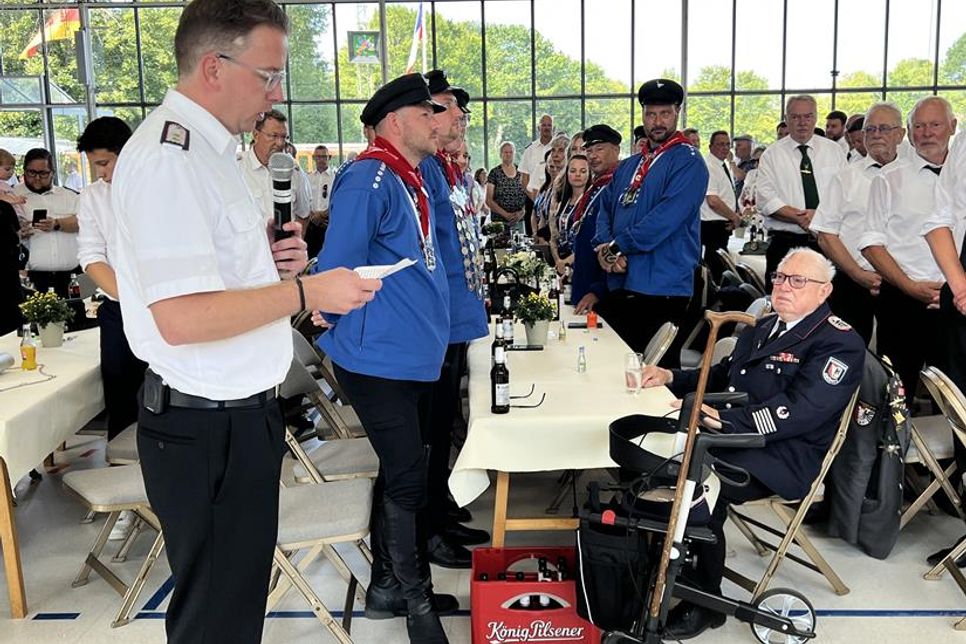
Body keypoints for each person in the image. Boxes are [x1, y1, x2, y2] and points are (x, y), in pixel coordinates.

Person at [110, 1, 381, 640]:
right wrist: (308, 291)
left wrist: (273, 260)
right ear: (213, 66)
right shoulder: (169, 159)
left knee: (234, 606)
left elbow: (216, 277)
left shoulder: (215, 153)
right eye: (268, 75)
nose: (276, 92)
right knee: (216, 618)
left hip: (240, 415)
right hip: (205, 426)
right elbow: (181, 317)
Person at [640, 247, 865, 639]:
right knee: (655, 458)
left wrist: (723, 420)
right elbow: (725, 374)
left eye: (798, 281)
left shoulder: (838, 343)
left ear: (824, 292)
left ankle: (704, 600)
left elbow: (798, 412)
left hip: (782, 456)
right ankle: (660, 567)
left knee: (697, 484)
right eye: (779, 277)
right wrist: (672, 377)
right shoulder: (765, 325)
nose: (784, 287)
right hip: (736, 439)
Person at [315, 73, 452, 643]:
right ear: (396, 121)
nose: (437, 120)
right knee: (406, 477)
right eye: (427, 113)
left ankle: (386, 585)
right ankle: (414, 602)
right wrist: (331, 314)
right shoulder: (369, 178)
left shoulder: (410, 177)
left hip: (408, 356)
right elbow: (338, 268)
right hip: (376, 359)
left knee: (404, 471)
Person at [419, 69, 490, 572]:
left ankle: (442, 509)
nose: (461, 117)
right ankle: (431, 526)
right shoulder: (425, 170)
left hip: (459, 317)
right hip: (439, 321)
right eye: (450, 108)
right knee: (433, 427)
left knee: (446, 424)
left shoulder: (449, 168)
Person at [593, 79, 708, 367]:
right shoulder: (631, 164)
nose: (657, 122)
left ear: (677, 113)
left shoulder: (689, 161)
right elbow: (604, 207)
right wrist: (603, 246)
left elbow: (666, 218)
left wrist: (618, 247)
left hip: (663, 286)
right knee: (616, 368)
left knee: (657, 376)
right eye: (650, 114)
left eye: (664, 114)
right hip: (622, 282)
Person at [860, 96, 956, 405]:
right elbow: (871, 244)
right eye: (919, 126)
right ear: (910, 132)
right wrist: (910, 287)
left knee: (958, 395)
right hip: (904, 301)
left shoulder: (962, 177)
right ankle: (894, 453)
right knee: (896, 395)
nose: (927, 132)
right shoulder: (889, 178)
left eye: (935, 124)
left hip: (958, 301)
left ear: (953, 127)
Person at [76, 116, 148, 442]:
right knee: (120, 391)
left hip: (168, 305)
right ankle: (121, 470)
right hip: (119, 309)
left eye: (104, 163)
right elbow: (91, 256)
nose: (100, 172)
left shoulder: (157, 186)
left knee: (169, 391)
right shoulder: (92, 197)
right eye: (94, 165)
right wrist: (129, 297)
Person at [812, 103, 900, 345]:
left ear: (901, 134)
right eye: (870, 130)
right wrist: (857, 273)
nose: (876, 135)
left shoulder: (917, 177)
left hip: (905, 286)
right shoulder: (845, 177)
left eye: (884, 129)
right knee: (845, 355)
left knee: (899, 360)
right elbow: (826, 234)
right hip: (852, 282)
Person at [922, 124, 966, 569]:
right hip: (962, 289)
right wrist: (959, 284)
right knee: (964, 417)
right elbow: (938, 220)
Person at [755, 95, 846, 290]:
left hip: (828, 245)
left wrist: (818, 218)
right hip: (787, 245)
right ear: (786, 119)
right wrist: (806, 218)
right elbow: (766, 201)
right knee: (783, 309)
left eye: (808, 116)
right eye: (796, 117)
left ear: (815, 118)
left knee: (827, 307)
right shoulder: (771, 154)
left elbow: (845, 194)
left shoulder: (834, 151)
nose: (802, 123)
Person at [568, 125, 620, 315]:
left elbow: (615, 244)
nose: (593, 156)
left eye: (599, 149)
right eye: (589, 150)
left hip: (602, 296)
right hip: (584, 288)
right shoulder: (596, 186)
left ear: (616, 150)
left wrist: (598, 290)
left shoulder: (618, 188)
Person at [14, 147, 80, 297]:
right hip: (30, 279)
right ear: (24, 171)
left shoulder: (69, 196)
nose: (37, 178)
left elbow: (85, 222)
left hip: (70, 278)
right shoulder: (11, 196)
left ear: (52, 173)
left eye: (43, 173)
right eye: (32, 172)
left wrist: (57, 223)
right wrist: (16, 232)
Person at [239, 109, 310, 232]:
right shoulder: (238, 168)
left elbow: (304, 214)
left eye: (284, 137)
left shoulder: (293, 170)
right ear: (256, 135)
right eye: (274, 136)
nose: (280, 143)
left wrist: (292, 245)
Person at [700, 130, 741, 280]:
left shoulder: (721, 165)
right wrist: (734, 217)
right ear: (710, 146)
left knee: (720, 267)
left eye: (727, 145)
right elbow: (713, 201)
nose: (725, 148)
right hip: (711, 227)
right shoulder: (709, 166)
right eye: (720, 144)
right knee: (716, 268)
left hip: (721, 224)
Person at [548, 153, 589, 277]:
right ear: (567, 174)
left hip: (581, 264)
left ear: (589, 174)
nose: (577, 175)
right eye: (573, 170)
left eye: (582, 171)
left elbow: (589, 242)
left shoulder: (591, 203)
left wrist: (567, 261)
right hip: (560, 265)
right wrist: (558, 261)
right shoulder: (561, 202)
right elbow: (553, 237)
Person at [486, 141, 527, 230]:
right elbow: (488, 200)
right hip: (499, 222)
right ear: (501, 154)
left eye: (511, 152)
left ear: (514, 154)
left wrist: (521, 213)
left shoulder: (521, 172)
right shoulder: (494, 173)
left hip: (519, 221)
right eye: (505, 152)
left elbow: (528, 195)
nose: (508, 154)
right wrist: (506, 214)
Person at [305, 144, 333, 258]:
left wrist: (322, 215)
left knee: (327, 256)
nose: (321, 160)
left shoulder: (335, 178)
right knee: (311, 257)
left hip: (328, 224)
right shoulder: (308, 178)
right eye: (318, 157)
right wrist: (312, 216)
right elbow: (304, 200)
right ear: (314, 158)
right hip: (311, 224)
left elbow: (336, 201)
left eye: (324, 157)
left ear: (329, 158)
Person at [519, 113, 554, 200]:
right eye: (544, 125)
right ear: (539, 128)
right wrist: (535, 199)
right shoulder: (529, 150)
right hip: (532, 198)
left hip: (554, 199)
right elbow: (524, 179)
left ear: (553, 128)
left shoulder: (558, 149)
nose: (547, 128)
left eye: (549, 125)